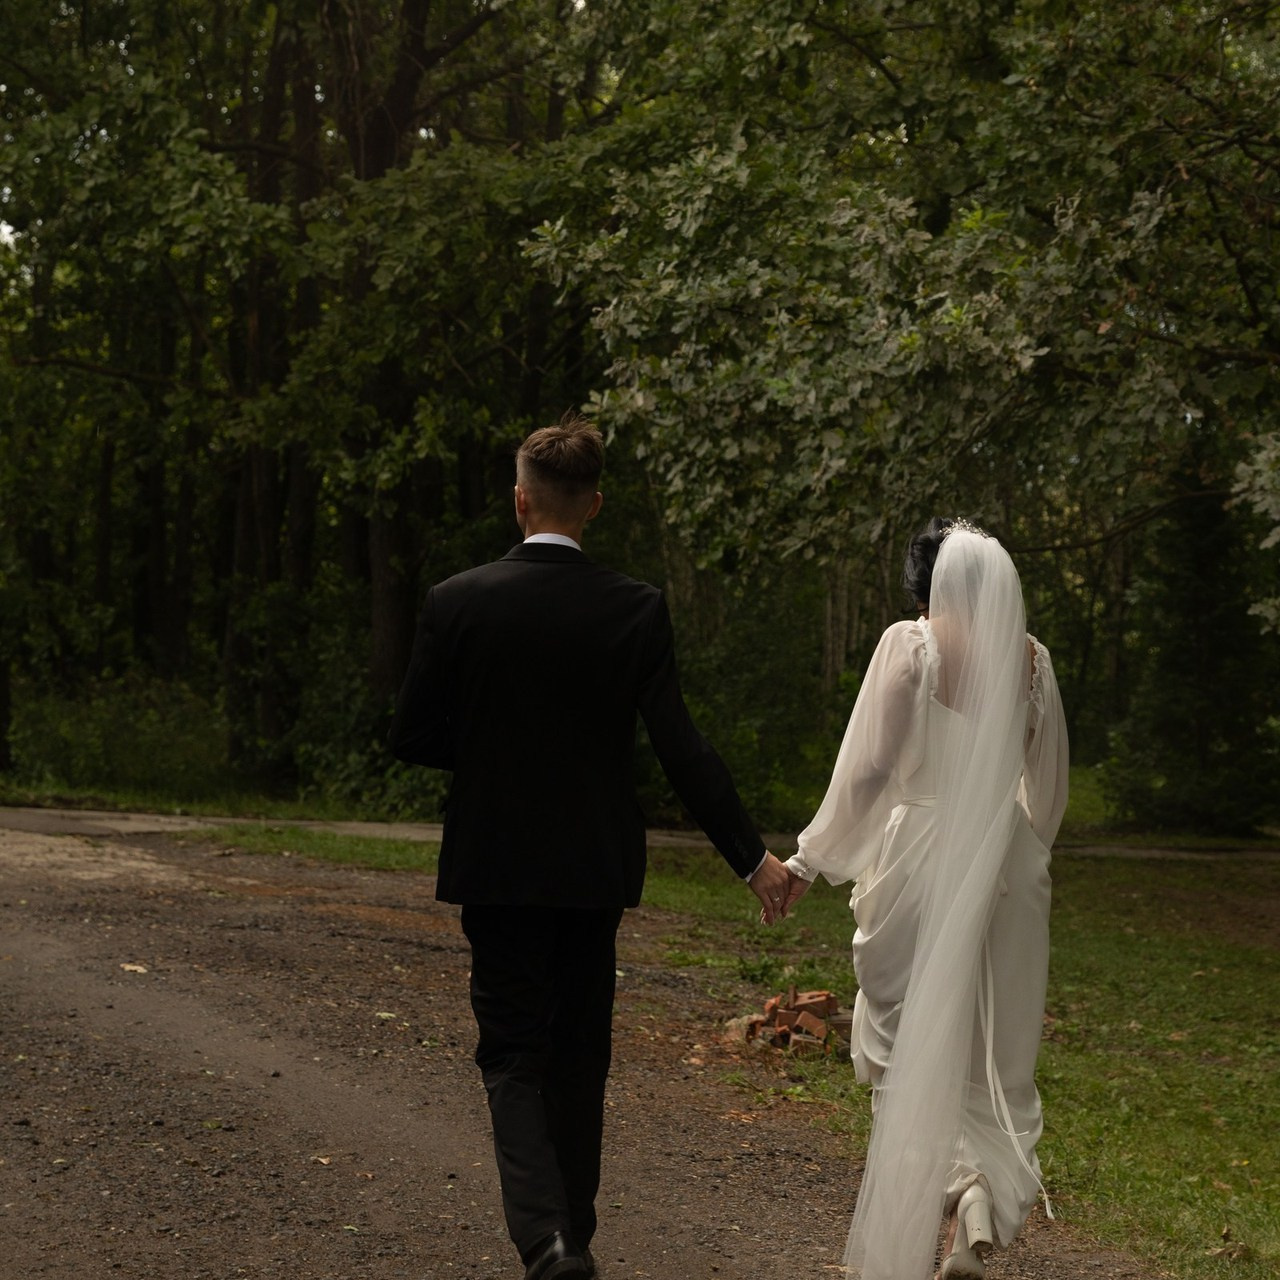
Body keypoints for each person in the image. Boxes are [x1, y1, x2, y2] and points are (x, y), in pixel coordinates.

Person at [389, 413, 792, 1280]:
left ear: (520, 500)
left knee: (512, 1051)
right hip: (592, 868)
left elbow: (412, 734)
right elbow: (681, 746)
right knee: (579, 1055)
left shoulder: (458, 600)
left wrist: (496, 750)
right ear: (594, 505)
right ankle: (571, 1234)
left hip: (497, 863)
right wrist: (750, 857)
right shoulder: (634, 609)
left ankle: (549, 1242)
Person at [780, 517, 1069, 1280]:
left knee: (901, 1049)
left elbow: (870, 769)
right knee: (986, 1054)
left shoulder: (911, 646)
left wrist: (811, 858)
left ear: (928, 588)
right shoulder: (1032, 661)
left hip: (920, 860)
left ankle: (942, 1203)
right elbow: (1047, 791)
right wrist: (1012, 853)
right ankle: (973, 1207)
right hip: (1009, 865)